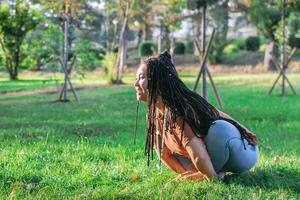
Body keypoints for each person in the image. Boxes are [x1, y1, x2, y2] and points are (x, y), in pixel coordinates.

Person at [134, 51, 259, 181]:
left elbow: (214, 115)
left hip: (242, 153)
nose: (135, 84)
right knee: (186, 153)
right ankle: (209, 171)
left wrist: (244, 130)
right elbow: (163, 153)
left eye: (141, 78)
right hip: (215, 154)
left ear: (158, 81)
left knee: (219, 129)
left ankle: (212, 173)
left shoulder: (178, 111)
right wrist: (186, 175)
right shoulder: (153, 114)